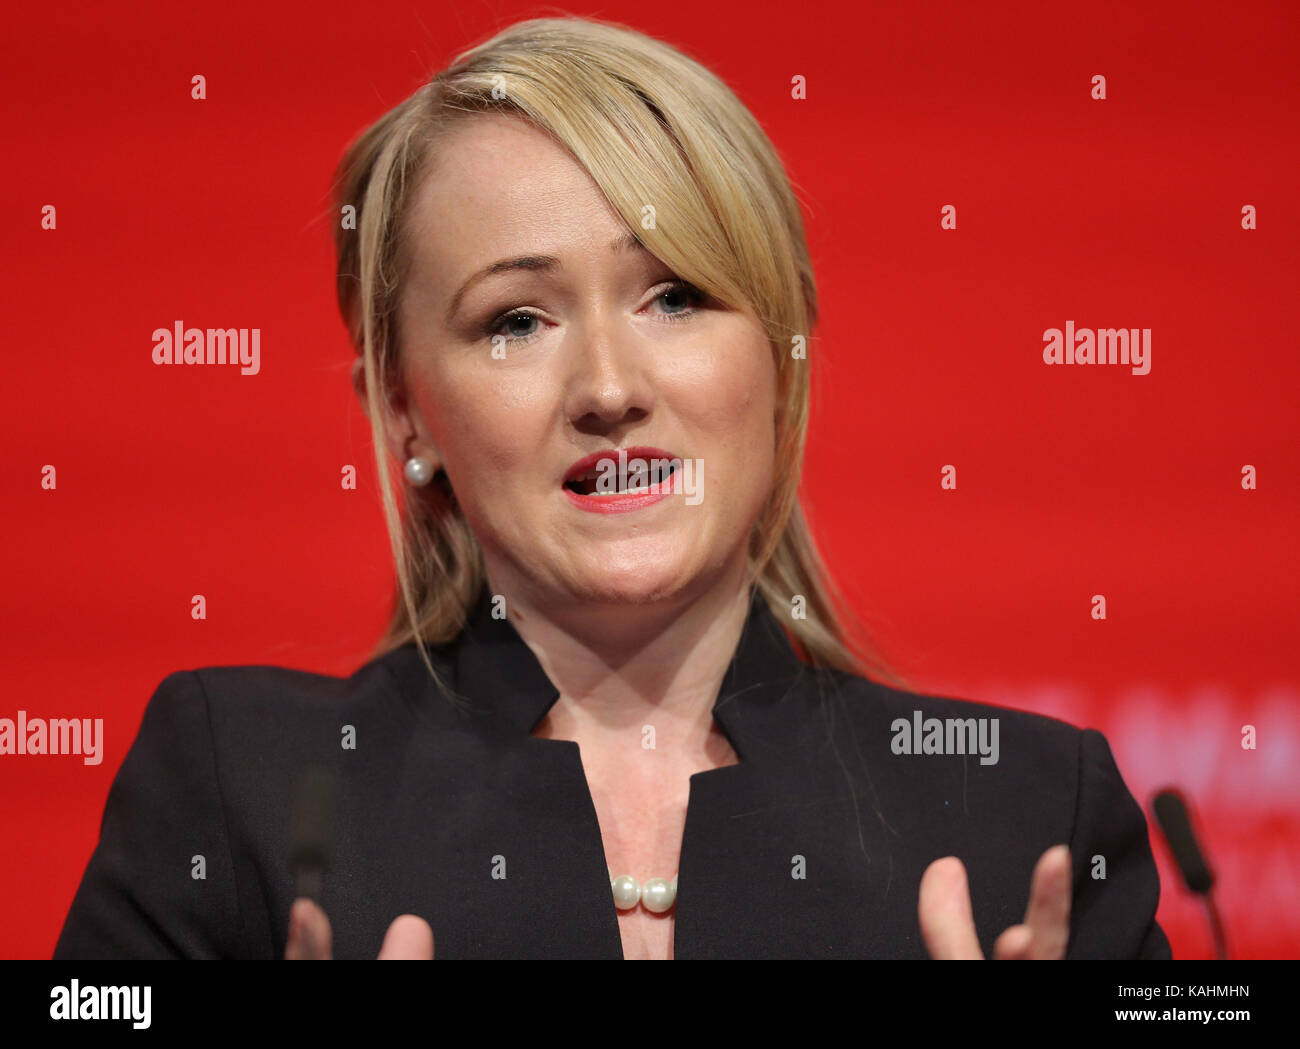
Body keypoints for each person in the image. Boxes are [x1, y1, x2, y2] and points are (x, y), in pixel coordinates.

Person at [53, 15, 1170, 960]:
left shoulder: (1026, 819)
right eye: (516, 321)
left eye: (674, 295)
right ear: (402, 410)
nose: (606, 385)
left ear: (779, 360)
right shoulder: (238, 786)